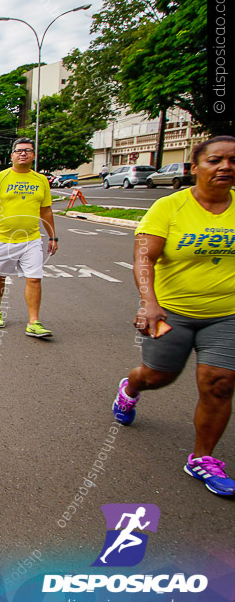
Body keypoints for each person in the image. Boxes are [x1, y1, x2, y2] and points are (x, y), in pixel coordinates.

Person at [112, 135, 235, 497]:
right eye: (215, 160)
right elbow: (143, 257)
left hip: (227, 314)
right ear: (195, 167)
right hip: (172, 312)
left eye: (232, 160)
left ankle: (203, 459)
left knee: (221, 383)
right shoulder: (170, 207)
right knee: (158, 376)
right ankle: (131, 388)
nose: (226, 167)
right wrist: (149, 302)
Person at [0, 137, 58, 338]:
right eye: (20, 150)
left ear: (34, 156)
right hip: (2, 238)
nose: (23, 153)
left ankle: (34, 322)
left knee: (35, 279)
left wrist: (53, 237)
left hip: (31, 239)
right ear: (12, 155)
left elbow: (46, 210)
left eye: (28, 151)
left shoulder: (40, 181)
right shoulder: (0, 178)